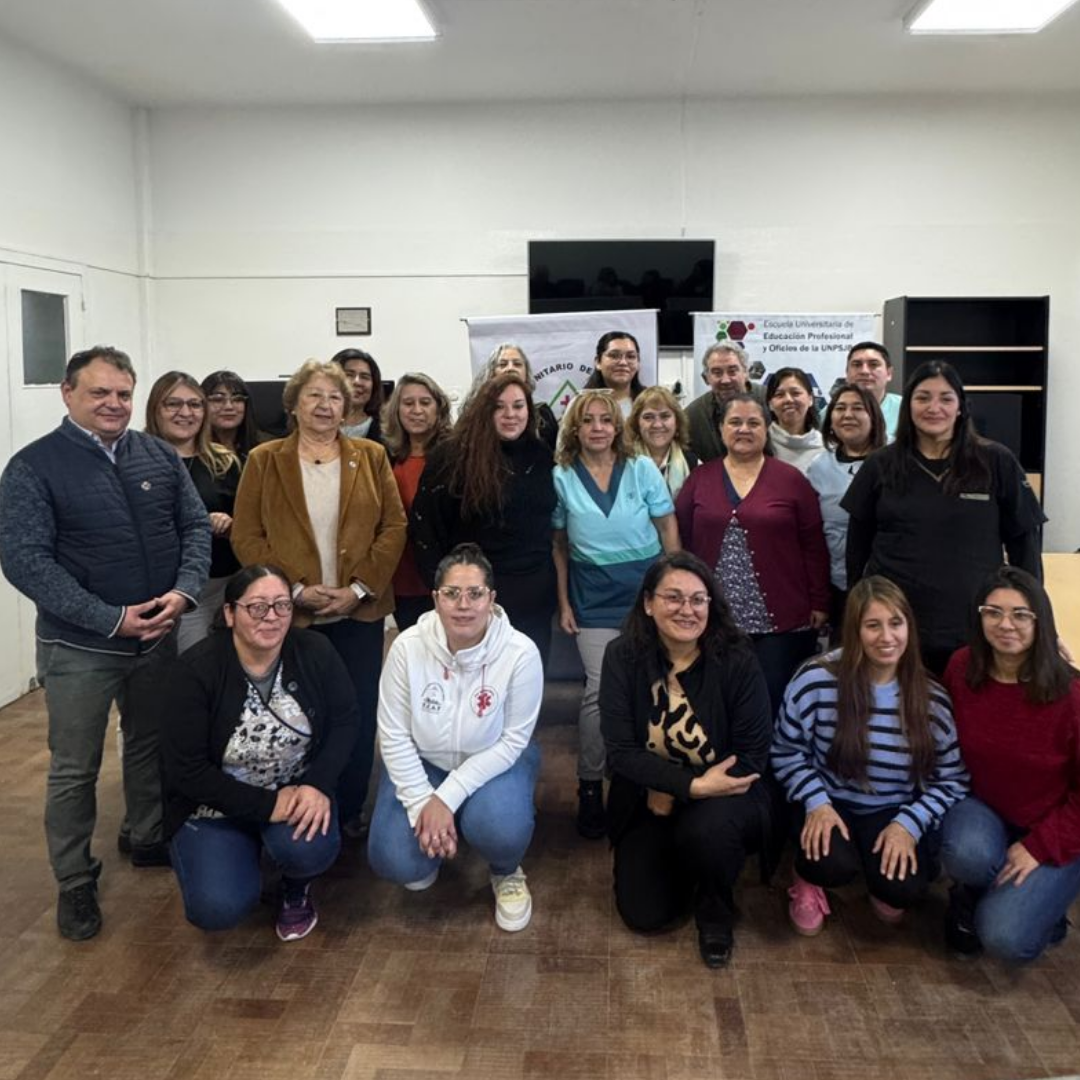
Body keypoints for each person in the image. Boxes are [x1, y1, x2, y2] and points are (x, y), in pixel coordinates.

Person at [0, 345, 210, 941]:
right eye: (99, 392)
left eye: (122, 393)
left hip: (157, 635)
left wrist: (184, 593)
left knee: (148, 741)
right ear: (67, 393)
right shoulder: (33, 467)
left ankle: (146, 835)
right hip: (80, 648)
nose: (114, 403)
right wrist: (109, 619)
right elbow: (25, 561)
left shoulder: (157, 455)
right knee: (75, 767)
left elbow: (194, 526)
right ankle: (74, 879)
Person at [231, 359, 406, 835]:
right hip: (290, 616)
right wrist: (292, 591)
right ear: (293, 404)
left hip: (359, 612)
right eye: (314, 395)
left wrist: (358, 589)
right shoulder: (264, 460)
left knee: (356, 708)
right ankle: (298, 808)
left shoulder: (371, 456)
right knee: (298, 713)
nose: (325, 405)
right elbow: (247, 535)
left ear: (347, 408)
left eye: (335, 397)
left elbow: (393, 526)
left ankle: (348, 810)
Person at [160, 565, 359, 941]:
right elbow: (186, 770)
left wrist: (317, 784)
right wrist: (266, 806)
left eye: (282, 605)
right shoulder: (194, 672)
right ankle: (239, 856)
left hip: (295, 792)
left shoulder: (315, 650)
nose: (271, 617)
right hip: (215, 806)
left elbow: (346, 721)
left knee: (307, 851)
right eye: (257, 607)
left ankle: (295, 885)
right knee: (216, 907)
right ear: (229, 613)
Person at [600, 552, 773, 968]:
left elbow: (752, 755)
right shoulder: (622, 656)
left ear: (711, 605)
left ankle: (716, 909)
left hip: (726, 796)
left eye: (698, 599)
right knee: (644, 914)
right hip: (649, 797)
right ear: (648, 603)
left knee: (708, 833)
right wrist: (686, 786)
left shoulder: (737, 658)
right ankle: (688, 866)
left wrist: (686, 790)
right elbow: (620, 751)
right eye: (673, 597)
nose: (687, 609)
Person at [772, 576, 968, 935]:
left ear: (909, 627)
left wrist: (909, 823)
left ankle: (881, 878)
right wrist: (816, 802)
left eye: (896, 623)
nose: (887, 637)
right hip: (829, 801)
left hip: (892, 808)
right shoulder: (816, 680)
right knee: (830, 864)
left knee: (903, 890)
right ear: (854, 630)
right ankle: (806, 878)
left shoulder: (932, 698)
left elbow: (953, 779)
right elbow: (786, 751)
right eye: (873, 625)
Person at [368, 544, 543, 932]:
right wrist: (422, 804)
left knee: (500, 829)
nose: (463, 605)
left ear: (491, 599)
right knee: (393, 858)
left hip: (495, 759)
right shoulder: (407, 647)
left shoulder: (521, 652)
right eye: (451, 593)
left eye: (475, 593)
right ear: (435, 599)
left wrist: (445, 798)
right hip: (427, 761)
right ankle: (433, 844)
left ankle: (506, 869)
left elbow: (513, 742)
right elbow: (393, 735)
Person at [843, 360, 1045, 675]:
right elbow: (857, 549)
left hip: (976, 627)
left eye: (946, 398)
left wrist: (1037, 619)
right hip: (896, 631)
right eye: (923, 397)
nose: (933, 408)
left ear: (961, 407)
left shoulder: (995, 461)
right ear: (908, 405)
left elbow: (1025, 547)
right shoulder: (880, 464)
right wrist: (855, 614)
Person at [552, 389, 680, 838]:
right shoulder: (561, 477)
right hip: (592, 598)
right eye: (588, 420)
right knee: (598, 692)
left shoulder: (642, 469)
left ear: (618, 426)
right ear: (575, 428)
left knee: (654, 687)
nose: (598, 428)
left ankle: (647, 781)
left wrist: (675, 591)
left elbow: (667, 527)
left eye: (606, 420)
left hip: (647, 596)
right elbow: (559, 545)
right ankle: (590, 785)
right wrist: (564, 602)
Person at [940, 566, 1080, 963]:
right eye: (993, 612)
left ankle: (1046, 909)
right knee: (966, 853)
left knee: (1005, 938)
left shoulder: (1071, 694)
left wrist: (1039, 847)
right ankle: (972, 892)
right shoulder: (961, 668)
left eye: (1020, 614)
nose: (1005, 624)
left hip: (1056, 823)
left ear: (1040, 621)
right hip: (983, 810)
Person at [676, 393, 829, 714]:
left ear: (767, 428)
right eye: (735, 422)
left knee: (770, 702)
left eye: (753, 423)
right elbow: (683, 543)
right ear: (721, 429)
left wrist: (819, 600)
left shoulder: (791, 480)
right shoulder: (699, 479)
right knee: (718, 703)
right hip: (714, 619)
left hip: (781, 621)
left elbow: (813, 544)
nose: (743, 429)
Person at [411, 373, 557, 662]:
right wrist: (447, 593)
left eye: (518, 406)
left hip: (535, 598)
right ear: (483, 410)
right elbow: (425, 529)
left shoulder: (541, 455)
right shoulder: (452, 458)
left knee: (527, 678)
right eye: (499, 407)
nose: (510, 414)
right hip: (474, 599)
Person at [146, 371, 242, 651]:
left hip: (225, 584)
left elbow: (250, 522)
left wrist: (230, 524)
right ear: (155, 409)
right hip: (174, 591)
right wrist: (198, 523)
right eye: (173, 404)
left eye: (195, 404)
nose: (186, 413)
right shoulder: (138, 461)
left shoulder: (224, 461)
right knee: (190, 664)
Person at [806, 383, 887, 638]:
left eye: (857, 408)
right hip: (837, 583)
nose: (848, 415)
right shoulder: (818, 466)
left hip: (887, 582)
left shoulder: (894, 459)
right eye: (840, 408)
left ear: (874, 416)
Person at [381, 373, 453, 632]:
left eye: (425, 402)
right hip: (402, 579)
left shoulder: (455, 457)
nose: (417, 410)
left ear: (439, 407)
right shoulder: (386, 458)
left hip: (445, 578)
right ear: (397, 410)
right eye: (408, 403)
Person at [464, 342, 559, 450]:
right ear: (492, 374)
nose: (510, 368)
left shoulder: (543, 415)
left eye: (517, 364)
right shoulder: (474, 416)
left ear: (526, 372)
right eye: (503, 364)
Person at [685, 342, 757, 463]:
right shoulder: (692, 417)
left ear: (746, 372)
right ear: (706, 378)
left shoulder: (769, 402)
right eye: (717, 373)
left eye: (732, 371)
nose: (725, 380)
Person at [627, 385, 699, 499]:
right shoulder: (623, 461)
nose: (657, 425)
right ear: (636, 423)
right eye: (648, 417)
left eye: (665, 416)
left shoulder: (693, 464)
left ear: (677, 422)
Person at [764, 367, 824, 475]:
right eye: (779, 395)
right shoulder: (760, 444)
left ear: (810, 399)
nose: (788, 399)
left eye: (795, 393)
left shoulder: (827, 449)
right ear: (770, 404)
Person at [201, 370, 265, 463]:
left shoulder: (266, 447)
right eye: (218, 399)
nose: (229, 407)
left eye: (237, 399)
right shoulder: (190, 450)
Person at [581, 330, 645, 417]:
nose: (623, 362)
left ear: (638, 363)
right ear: (598, 362)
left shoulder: (649, 402)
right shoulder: (580, 404)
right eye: (614, 356)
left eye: (630, 356)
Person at [846, 341, 901, 438]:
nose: (864, 371)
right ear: (846, 373)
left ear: (889, 373)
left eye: (873, 364)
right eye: (857, 365)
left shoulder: (906, 409)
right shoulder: (830, 412)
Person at [332, 347, 384, 442]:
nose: (357, 382)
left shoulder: (386, 430)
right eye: (349, 375)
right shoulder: (317, 423)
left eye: (365, 377)